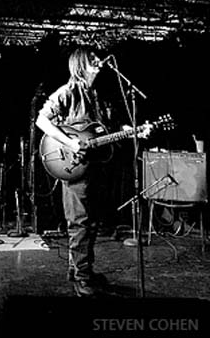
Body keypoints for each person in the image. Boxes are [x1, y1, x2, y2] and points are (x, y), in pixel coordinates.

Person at [36, 46, 150, 297]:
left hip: (95, 166)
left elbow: (107, 129)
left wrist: (134, 130)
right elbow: (42, 120)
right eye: (92, 59)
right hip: (74, 164)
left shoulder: (99, 95)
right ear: (79, 64)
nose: (98, 62)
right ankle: (82, 277)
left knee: (91, 222)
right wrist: (70, 143)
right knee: (80, 222)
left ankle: (78, 269)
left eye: (98, 59)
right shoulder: (67, 92)